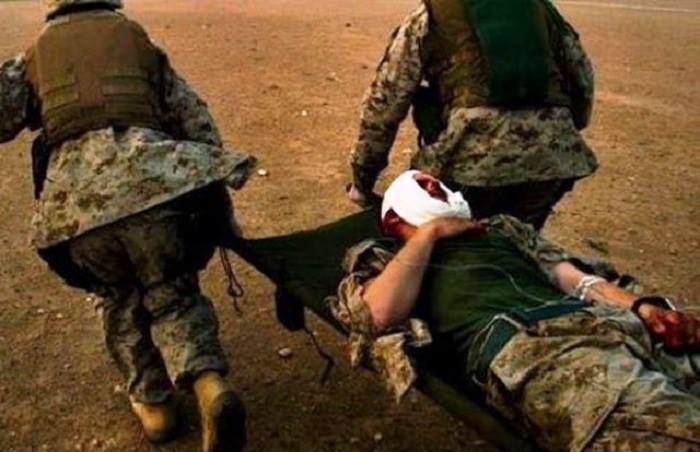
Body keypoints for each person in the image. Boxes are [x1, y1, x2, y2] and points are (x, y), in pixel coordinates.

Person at [0, 1, 252, 450]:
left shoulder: (37, 55)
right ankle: (209, 383)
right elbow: (197, 121)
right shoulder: (136, 42)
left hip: (78, 212)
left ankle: (155, 406)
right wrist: (217, 198)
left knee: (117, 297)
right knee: (173, 291)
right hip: (157, 190)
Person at [332, 170, 700, 450]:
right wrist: (429, 234)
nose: (437, 186)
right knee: (674, 428)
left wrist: (642, 309)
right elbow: (377, 315)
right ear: (393, 219)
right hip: (545, 351)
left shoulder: (502, 230)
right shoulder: (383, 259)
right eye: (422, 185)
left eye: (437, 182)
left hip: (611, 325)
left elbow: (575, 280)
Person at [347, 0, 598, 229]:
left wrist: (363, 179)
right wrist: (557, 134)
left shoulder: (430, 16)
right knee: (519, 243)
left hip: (467, 163)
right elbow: (582, 82)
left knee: (435, 242)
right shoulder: (542, 10)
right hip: (553, 160)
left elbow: (385, 104)